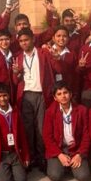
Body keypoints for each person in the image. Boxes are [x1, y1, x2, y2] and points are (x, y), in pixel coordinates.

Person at [12, 28, 56, 169]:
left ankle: (42, 158)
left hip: (41, 94)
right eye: (21, 41)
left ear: (33, 39)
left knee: (41, 127)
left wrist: (57, 57)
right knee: (28, 128)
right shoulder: (18, 57)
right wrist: (16, 74)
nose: (24, 43)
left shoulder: (44, 53)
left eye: (26, 40)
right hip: (26, 95)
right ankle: (29, 157)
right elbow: (15, 81)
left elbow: (57, 68)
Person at [43, 82, 91, 181]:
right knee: (55, 176)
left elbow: (86, 135)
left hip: (75, 149)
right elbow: (47, 137)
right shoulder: (50, 112)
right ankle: (63, 165)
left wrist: (79, 154)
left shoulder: (82, 110)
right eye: (59, 94)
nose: (63, 96)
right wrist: (59, 154)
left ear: (70, 94)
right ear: (55, 98)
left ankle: (71, 165)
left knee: (83, 177)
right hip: (59, 149)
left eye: (65, 92)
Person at [0, 83, 30, 181]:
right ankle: (0, 172)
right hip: (0, 154)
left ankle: (11, 169)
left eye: (5, 95)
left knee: (21, 180)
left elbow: (22, 136)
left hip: (14, 153)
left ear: (9, 95)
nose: (2, 99)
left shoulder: (15, 112)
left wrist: (26, 156)